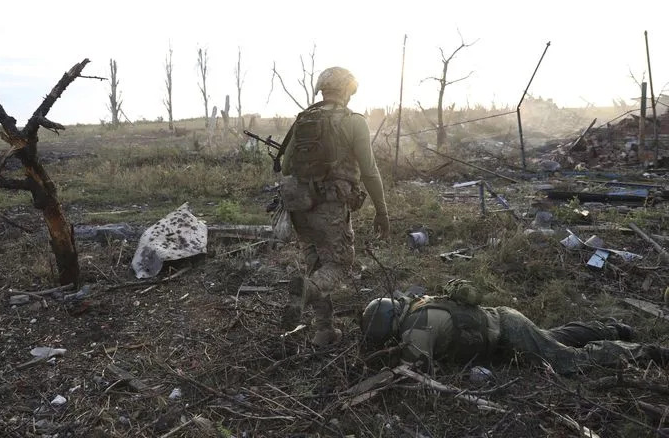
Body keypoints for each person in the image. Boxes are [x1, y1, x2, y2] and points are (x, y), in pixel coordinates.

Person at [278, 66, 389, 347]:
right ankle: (307, 291)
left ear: (322, 90)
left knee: (316, 261)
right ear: (348, 91)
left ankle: (324, 331)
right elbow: (370, 171)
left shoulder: (304, 119)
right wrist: (382, 210)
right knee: (339, 262)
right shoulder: (353, 122)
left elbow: (286, 165)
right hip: (331, 205)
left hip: (300, 206)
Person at [361, 281, 669, 375]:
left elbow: (413, 369)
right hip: (503, 326)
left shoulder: (415, 328)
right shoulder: (419, 305)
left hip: (506, 331)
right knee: (555, 338)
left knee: (565, 361)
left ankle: (650, 352)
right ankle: (615, 329)